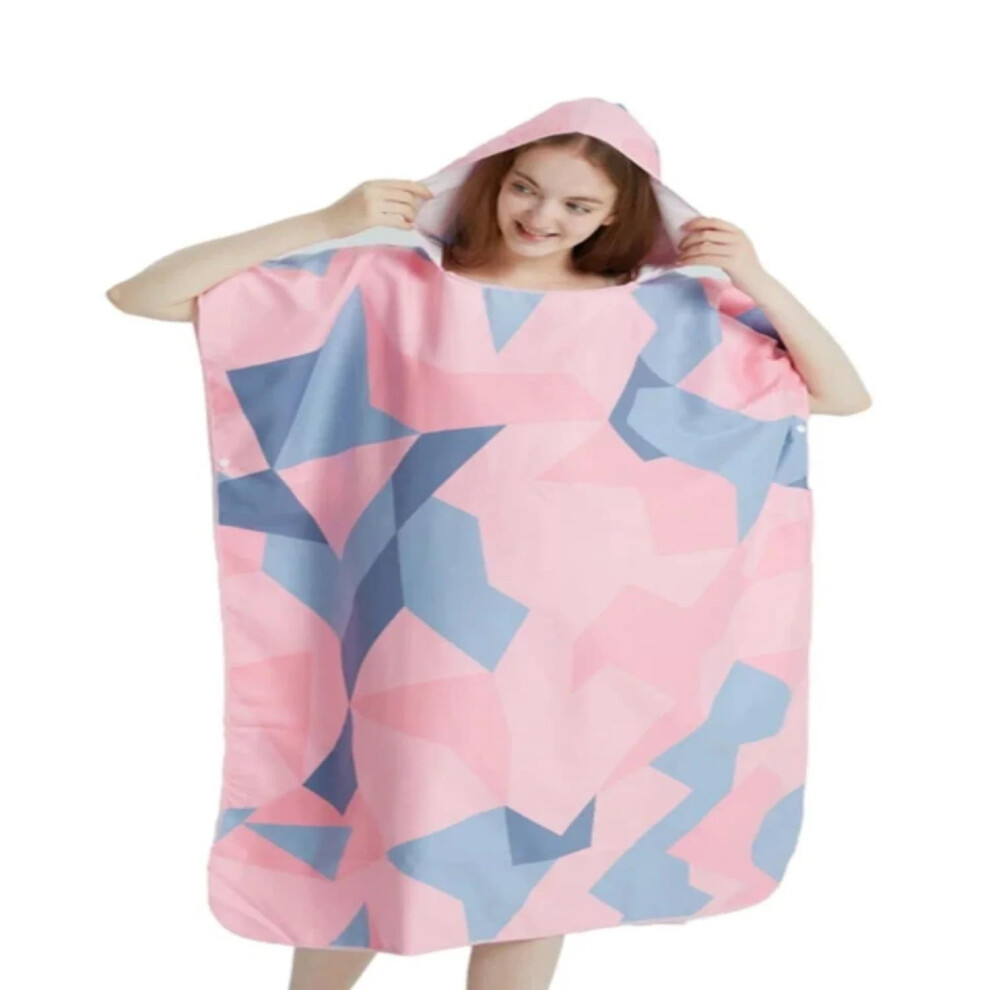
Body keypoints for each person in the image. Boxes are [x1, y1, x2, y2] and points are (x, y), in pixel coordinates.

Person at [106, 104, 871, 990]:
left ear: (619, 215)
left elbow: (838, 393)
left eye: (578, 206)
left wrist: (756, 277)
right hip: (418, 634)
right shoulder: (390, 288)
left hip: (578, 651)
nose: (542, 217)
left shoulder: (671, 316)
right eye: (526, 188)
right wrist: (328, 221)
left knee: (536, 871)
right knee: (374, 846)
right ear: (490, 180)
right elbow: (145, 295)